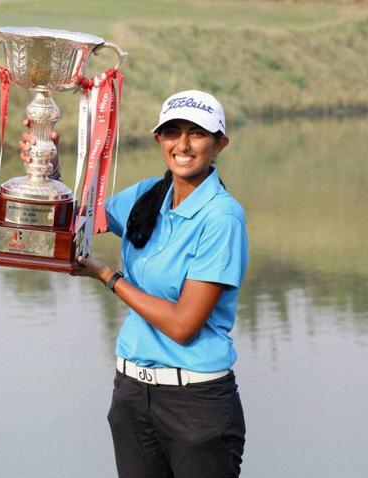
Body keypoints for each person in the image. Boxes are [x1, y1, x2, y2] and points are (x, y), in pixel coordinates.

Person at [20, 89, 247, 477]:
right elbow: (79, 219)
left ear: (219, 144)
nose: (183, 144)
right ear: (159, 138)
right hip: (131, 395)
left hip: (196, 404)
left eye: (197, 133)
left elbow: (183, 324)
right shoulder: (148, 195)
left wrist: (107, 276)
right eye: (172, 132)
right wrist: (47, 168)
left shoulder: (221, 217)